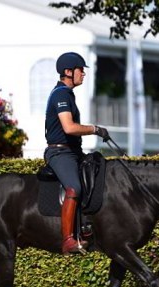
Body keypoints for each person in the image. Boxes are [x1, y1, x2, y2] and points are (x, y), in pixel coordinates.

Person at [44, 52, 109, 254]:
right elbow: (69, 128)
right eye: (81, 70)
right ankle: (67, 240)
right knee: (74, 188)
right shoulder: (60, 94)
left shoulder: (67, 94)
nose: (84, 74)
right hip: (60, 153)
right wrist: (95, 129)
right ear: (68, 72)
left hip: (74, 152)